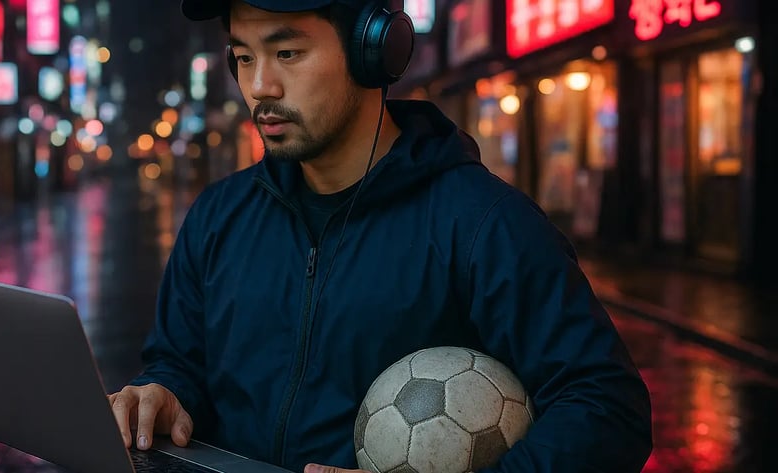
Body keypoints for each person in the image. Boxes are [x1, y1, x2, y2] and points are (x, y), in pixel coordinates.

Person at [108, 1, 653, 472]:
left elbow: (607, 409)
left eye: (288, 53)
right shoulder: (218, 216)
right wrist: (164, 393)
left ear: (374, 50)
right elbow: (179, 361)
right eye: (244, 56)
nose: (259, 86)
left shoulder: (485, 224)